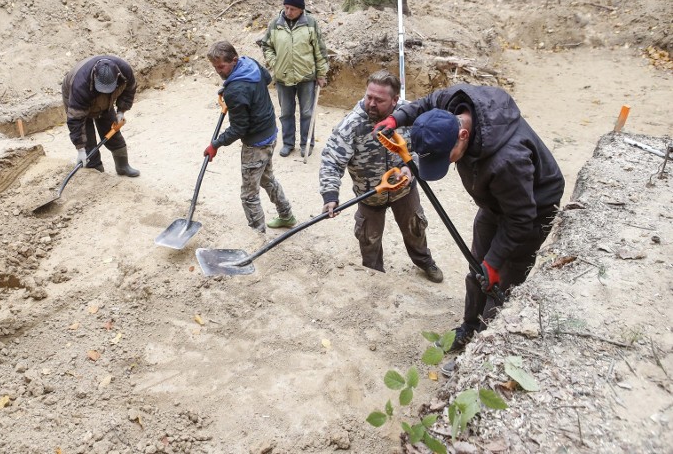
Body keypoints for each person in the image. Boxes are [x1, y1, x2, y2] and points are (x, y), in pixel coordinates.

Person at [375, 84, 564, 351]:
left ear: (463, 134)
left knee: (502, 280)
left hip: (531, 211)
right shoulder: (453, 102)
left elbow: (521, 218)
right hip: (496, 203)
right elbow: (427, 102)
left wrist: (495, 262)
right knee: (477, 269)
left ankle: (485, 347)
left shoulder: (507, 160)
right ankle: (469, 327)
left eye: (447, 157)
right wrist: (398, 118)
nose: (449, 163)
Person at [319, 71, 444, 283]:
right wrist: (330, 195)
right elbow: (332, 160)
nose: (371, 103)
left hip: (405, 191)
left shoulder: (412, 113)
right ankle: (374, 278)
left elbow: (428, 146)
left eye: (379, 100)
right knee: (369, 239)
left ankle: (424, 261)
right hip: (369, 195)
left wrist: (411, 167)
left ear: (395, 100)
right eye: (369, 97)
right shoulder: (351, 125)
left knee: (415, 228)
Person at [204, 41, 296, 233]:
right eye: (214, 67)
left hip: (255, 145)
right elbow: (267, 78)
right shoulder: (250, 63)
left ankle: (258, 236)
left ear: (234, 60)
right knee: (267, 179)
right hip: (270, 133)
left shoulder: (236, 91)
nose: (218, 71)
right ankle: (286, 215)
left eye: (221, 66)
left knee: (248, 195)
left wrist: (216, 144)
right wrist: (234, 90)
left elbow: (239, 128)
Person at [258, 0, 329, 158]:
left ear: (301, 9)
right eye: (286, 7)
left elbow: (320, 50)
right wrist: (275, 63)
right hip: (283, 77)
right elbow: (266, 45)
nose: (288, 11)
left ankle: (306, 144)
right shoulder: (275, 24)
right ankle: (288, 143)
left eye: (293, 9)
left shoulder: (311, 23)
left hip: (306, 76)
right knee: (286, 113)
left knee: (306, 113)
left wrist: (321, 73)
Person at [62, 55, 140, 177]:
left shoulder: (124, 71)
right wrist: (80, 149)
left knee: (111, 130)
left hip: (102, 100)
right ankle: (97, 173)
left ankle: (122, 166)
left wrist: (121, 111)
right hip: (77, 98)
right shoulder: (80, 86)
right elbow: (75, 120)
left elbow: (130, 90)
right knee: (88, 140)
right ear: (95, 77)